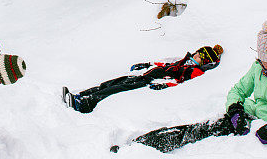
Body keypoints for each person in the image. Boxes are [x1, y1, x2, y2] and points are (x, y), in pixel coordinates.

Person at [61, 44, 223, 113]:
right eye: (197, 52)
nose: (195, 54)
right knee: (113, 82)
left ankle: (83, 105)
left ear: (204, 60)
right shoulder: (184, 61)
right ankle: (79, 96)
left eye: (199, 55)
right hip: (147, 75)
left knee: (116, 89)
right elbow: (165, 63)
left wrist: (165, 85)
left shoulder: (195, 71)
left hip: (150, 82)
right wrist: (147, 64)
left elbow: (181, 82)